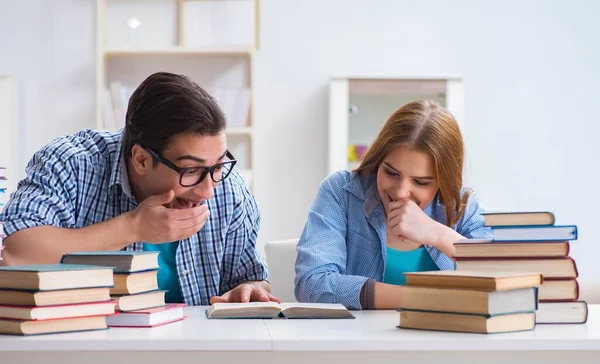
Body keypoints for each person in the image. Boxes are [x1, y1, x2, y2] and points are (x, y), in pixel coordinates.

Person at [0, 72, 279, 306]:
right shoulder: (72, 163)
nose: (207, 190)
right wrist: (132, 227)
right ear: (141, 159)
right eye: (190, 170)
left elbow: (250, 278)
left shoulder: (228, 186)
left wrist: (251, 290)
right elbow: (18, 252)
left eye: (217, 166)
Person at [295, 100, 492, 310]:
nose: (400, 192)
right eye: (391, 172)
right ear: (379, 159)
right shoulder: (341, 192)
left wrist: (437, 234)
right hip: (359, 340)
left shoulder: (461, 205)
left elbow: (504, 279)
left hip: (446, 341)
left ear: (443, 180)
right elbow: (312, 285)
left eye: (421, 182)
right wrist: (422, 299)